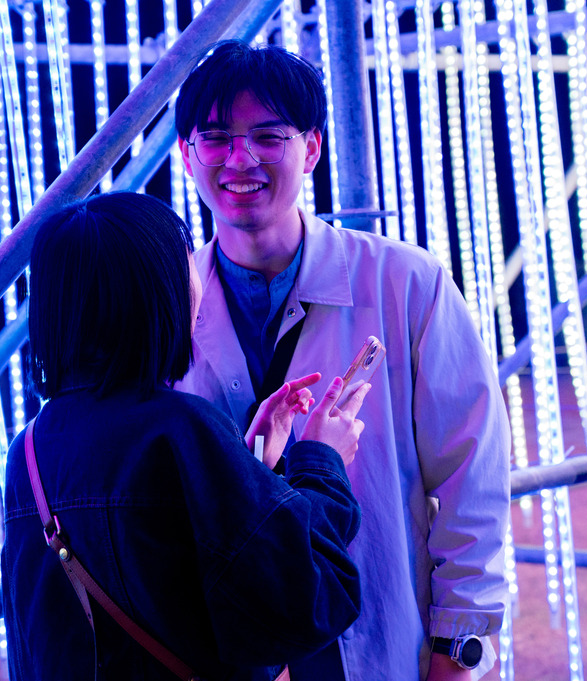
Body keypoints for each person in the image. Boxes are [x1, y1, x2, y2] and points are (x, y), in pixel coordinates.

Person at [174, 41, 512, 681]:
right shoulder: (165, 305)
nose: (241, 159)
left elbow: (472, 480)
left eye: (268, 137)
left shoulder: (405, 284)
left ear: (312, 149)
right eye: (215, 138)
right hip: (228, 655)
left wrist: (459, 646)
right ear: (188, 155)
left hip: (381, 640)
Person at [1, 191, 371, 681]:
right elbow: (307, 597)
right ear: (156, 295)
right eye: (184, 263)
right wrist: (322, 460)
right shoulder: (180, 428)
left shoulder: (28, 450)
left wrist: (248, 464)